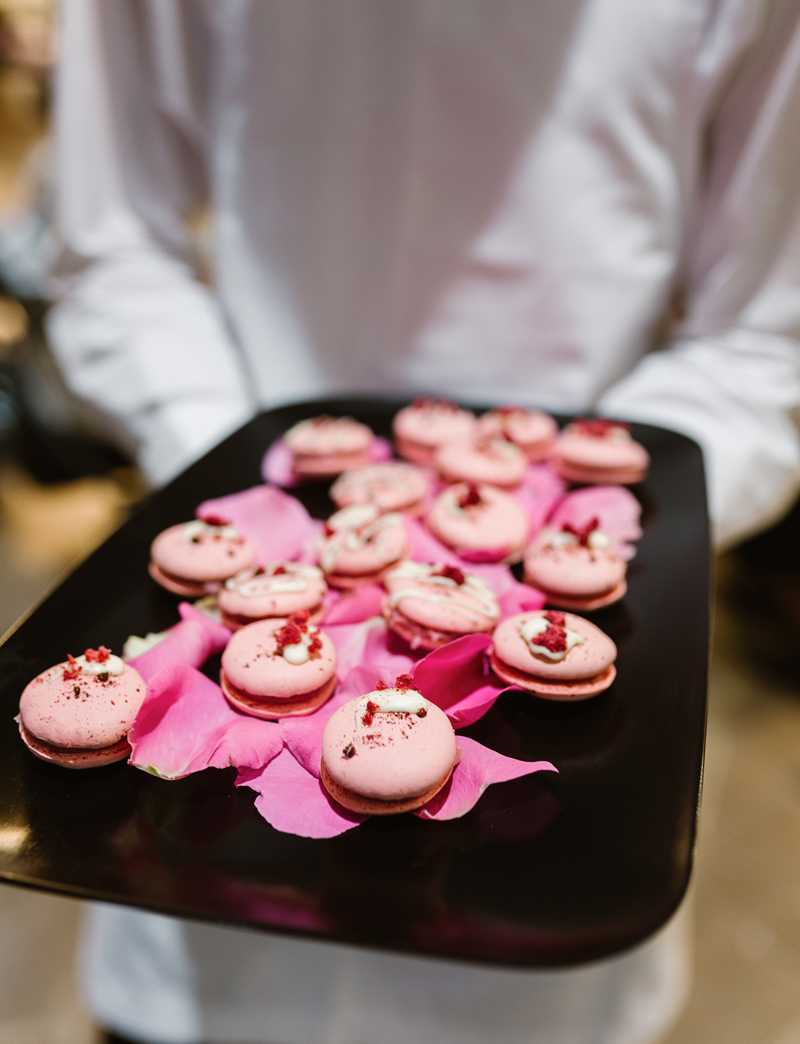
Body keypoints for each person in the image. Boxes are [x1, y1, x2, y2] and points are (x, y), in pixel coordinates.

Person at [47, 1, 800, 1042]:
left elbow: (765, 339)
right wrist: (251, 485)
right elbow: (111, 245)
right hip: (198, 885)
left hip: (550, 863)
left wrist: (576, 519)